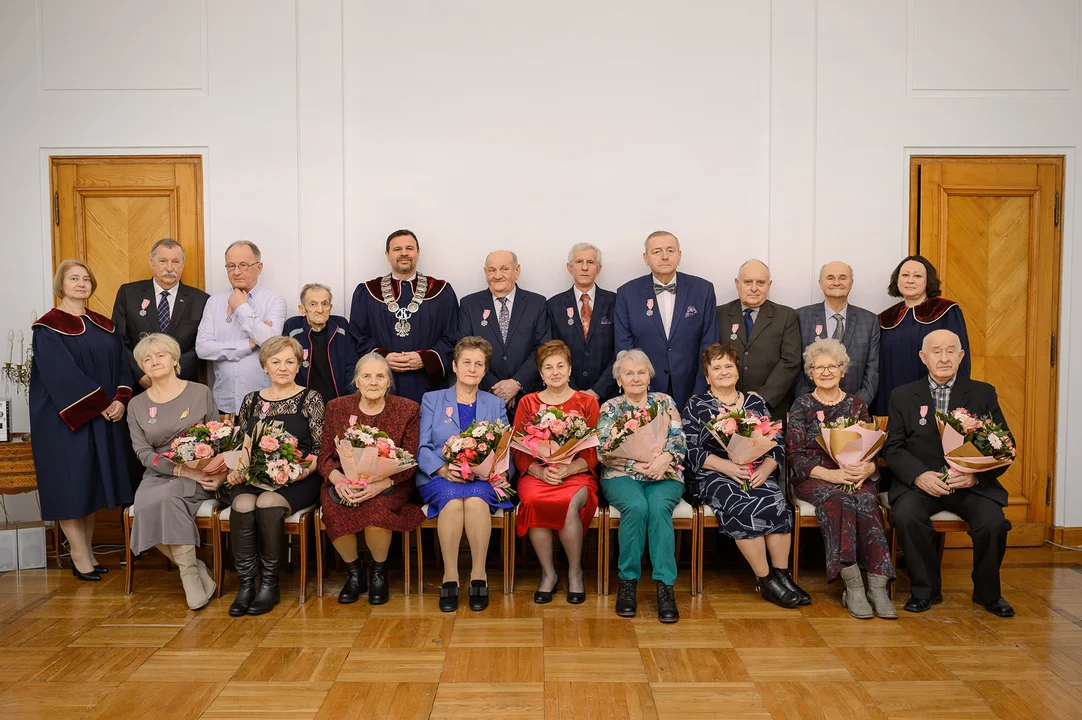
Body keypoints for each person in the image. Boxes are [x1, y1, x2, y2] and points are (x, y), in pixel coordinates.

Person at [884, 329, 1014, 618]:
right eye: (936, 351)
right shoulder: (903, 395)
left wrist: (975, 476)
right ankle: (925, 591)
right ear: (923, 357)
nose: (944, 358)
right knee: (906, 516)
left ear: (961, 356)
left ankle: (988, 593)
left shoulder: (982, 393)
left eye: (950, 351)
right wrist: (920, 476)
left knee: (993, 523)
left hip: (969, 485)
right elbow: (893, 448)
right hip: (922, 485)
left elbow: (1005, 447)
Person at [683, 343, 809, 609]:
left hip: (756, 471)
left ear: (737, 371)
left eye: (728, 365)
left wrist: (765, 469)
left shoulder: (754, 402)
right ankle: (765, 580)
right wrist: (726, 467)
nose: (724, 371)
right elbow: (689, 449)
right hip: (713, 475)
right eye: (716, 368)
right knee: (743, 502)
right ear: (707, 376)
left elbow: (776, 440)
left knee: (776, 502)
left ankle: (782, 576)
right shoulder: (697, 405)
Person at [30, 260, 133, 581]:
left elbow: (122, 367)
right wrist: (101, 403)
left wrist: (120, 399)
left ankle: (87, 551)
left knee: (91, 485)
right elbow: (61, 375)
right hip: (65, 419)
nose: (81, 284)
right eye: (73, 278)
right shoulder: (47, 328)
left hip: (103, 416)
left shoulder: (104, 325)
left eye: (86, 279)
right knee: (71, 484)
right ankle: (78, 554)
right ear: (61, 284)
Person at [785, 339, 895, 619]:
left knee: (868, 501)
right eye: (818, 367)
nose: (825, 372)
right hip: (817, 476)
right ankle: (853, 585)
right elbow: (795, 456)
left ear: (842, 370)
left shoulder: (857, 405)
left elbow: (869, 446)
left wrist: (867, 469)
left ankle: (878, 585)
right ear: (810, 372)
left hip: (855, 473)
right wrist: (833, 475)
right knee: (839, 499)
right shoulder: (802, 405)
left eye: (831, 366)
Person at [223, 336, 325, 616]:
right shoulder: (251, 401)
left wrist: (297, 472)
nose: (283, 367)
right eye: (275, 361)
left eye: (290, 361)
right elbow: (238, 444)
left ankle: (270, 583)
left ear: (298, 365)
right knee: (243, 503)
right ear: (264, 366)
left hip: (298, 478)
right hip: (253, 477)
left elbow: (318, 450)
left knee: (268, 502)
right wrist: (237, 470)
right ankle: (246, 585)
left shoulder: (310, 398)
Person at [127, 334, 224, 610]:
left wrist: (206, 469)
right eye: (147, 359)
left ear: (173, 358)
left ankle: (188, 575)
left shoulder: (200, 392)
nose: (154, 361)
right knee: (145, 504)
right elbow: (143, 452)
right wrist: (179, 470)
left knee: (169, 500)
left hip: (200, 471)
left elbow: (217, 436)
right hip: (158, 473)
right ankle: (193, 568)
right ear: (142, 367)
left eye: (160, 355)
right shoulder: (136, 405)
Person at [416, 337, 514, 613]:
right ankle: (450, 576)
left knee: (473, 502)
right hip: (439, 476)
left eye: (479, 364)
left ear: (485, 370)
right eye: (467, 362)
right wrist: (443, 469)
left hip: (482, 480)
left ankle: (478, 575)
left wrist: (498, 472)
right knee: (451, 501)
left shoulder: (494, 404)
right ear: (455, 366)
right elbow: (422, 446)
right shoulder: (433, 399)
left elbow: (504, 447)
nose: (472, 368)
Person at [319, 353, 424, 605]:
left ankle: (379, 572)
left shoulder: (407, 409)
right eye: (366, 376)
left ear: (389, 382)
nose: (373, 382)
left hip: (391, 484)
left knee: (377, 512)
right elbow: (325, 456)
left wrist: (380, 484)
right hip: (344, 483)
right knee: (335, 508)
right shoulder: (337, 407)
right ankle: (354, 573)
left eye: (380, 376)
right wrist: (339, 480)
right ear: (356, 381)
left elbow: (409, 460)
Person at [596, 349, 687, 623]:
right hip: (621, 476)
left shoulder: (664, 401)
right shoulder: (610, 408)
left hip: (664, 474)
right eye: (629, 373)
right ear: (619, 380)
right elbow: (602, 449)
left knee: (658, 508)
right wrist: (633, 465)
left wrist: (666, 458)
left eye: (641, 372)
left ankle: (665, 587)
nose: (636, 378)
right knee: (635, 507)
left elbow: (679, 438)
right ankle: (628, 582)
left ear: (649, 376)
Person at [512, 340, 600, 604]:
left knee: (568, 502)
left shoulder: (587, 402)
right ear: (540, 373)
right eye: (548, 367)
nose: (555, 372)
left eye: (560, 365)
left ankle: (575, 572)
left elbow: (594, 451)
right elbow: (518, 447)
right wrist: (539, 472)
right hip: (537, 474)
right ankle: (548, 574)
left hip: (577, 474)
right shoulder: (528, 403)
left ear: (570, 369)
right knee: (534, 501)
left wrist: (568, 469)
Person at [349, 229, 458, 403]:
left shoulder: (442, 291)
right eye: (397, 249)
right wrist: (382, 358)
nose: (404, 253)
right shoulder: (367, 292)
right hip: (380, 385)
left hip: (428, 386)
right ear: (387, 254)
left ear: (418, 252)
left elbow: (452, 337)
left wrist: (425, 359)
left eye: (409, 248)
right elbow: (357, 336)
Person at [614, 231, 719, 411]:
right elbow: (624, 346)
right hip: (645, 391)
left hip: (692, 388)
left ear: (679, 256)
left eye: (670, 251)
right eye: (657, 252)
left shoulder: (703, 290)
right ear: (646, 258)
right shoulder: (627, 293)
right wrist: (642, 391)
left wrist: (700, 389)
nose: (664, 256)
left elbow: (709, 343)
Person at [195, 240, 287, 414]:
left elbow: (271, 343)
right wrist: (250, 344)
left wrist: (241, 308)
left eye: (243, 265)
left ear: (258, 267)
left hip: (264, 402)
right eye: (231, 266)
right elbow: (202, 349)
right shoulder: (214, 302)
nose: (236, 272)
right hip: (224, 403)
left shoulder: (274, 301)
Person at [875, 255, 970, 415]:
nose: (910, 280)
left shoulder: (946, 312)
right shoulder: (884, 319)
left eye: (917, 276)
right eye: (905, 275)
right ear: (897, 280)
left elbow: (960, 360)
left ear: (928, 281)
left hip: (936, 398)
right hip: (893, 397)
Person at [112, 238, 210, 391]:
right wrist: (140, 375)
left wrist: (170, 375)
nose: (169, 267)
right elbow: (118, 340)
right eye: (163, 261)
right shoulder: (128, 293)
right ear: (152, 262)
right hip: (140, 386)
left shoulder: (201, 300)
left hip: (182, 385)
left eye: (176, 262)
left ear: (182, 265)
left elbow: (199, 346)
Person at [459, 250, 552, 407]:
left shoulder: (537, 303)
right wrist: (496, 387)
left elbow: (543, 349)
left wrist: (516, 383)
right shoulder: (469, 304)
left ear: (517, 271)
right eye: (492, 270)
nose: (497, 275)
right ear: (485, 272)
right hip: (482, 396)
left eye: (504, 269)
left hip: (528, 397)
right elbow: (464, 350)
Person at [716, 260, 801, 416]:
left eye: (760, 282)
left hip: (771, 408)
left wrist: (762, 396)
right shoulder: (718, 314)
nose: (754, 288)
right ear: (737, 283)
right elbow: (710, 357)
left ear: (769, 285)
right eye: (748, 282)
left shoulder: (786, 316)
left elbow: (790, 361)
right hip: (724, 407)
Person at [793, 261, 880, 407]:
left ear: (851, 283)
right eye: (830, 278)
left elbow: (873, 370)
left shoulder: (869, 320)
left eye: (842, 278)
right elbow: (795, 367)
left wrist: (856, 406)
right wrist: (811, 403)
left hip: (855, 410)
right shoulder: (801, 317)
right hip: (811, 410)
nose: (836, 282)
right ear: (820, 283)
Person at [546, 243, 618, 400]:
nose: (584, 267)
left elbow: (620, 352)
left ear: (598, 269)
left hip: (608, 396)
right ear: (570, 268)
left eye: (590, 262)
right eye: (579, 262)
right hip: (565, 395)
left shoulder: (615, 302)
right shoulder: (553, 305)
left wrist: (597, 391)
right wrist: (572, 391)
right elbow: (551, 353)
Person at [284, 283, 357, 404]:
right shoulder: (292, 327)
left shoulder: (341, 326)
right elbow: (287, 366)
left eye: (325, 304)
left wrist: (348, 401)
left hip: (338, 401)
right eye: (313, 304)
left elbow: (351, 366)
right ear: (302, 309)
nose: (320, 310)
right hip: (303, 403)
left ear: (330, 307)